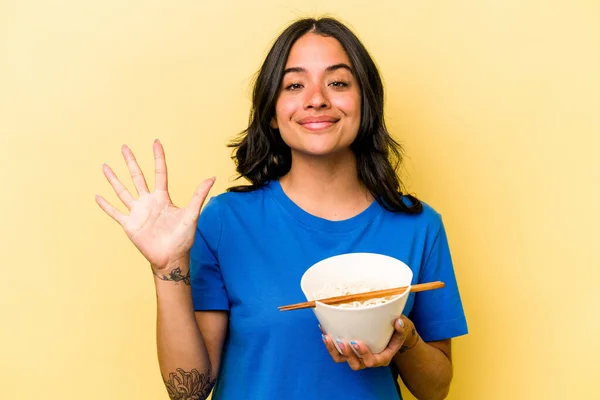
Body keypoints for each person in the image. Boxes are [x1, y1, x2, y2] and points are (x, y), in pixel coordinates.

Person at [96, 17, 468, 400]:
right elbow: (188, 392)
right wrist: (167, 268)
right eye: (294, 85)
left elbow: (435, 389)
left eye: (338, 82)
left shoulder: (418, 225)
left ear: (366, 102)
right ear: (272, 113)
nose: (317, 98)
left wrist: (403, 340)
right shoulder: (225, 221)